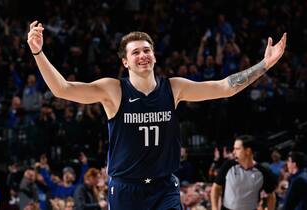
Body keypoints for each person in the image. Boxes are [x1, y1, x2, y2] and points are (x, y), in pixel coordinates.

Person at [27, 20, 286, 210]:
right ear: (125, 62)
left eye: (147, 50)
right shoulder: (114, 90)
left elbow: (225, 87)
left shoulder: (174, 88)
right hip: (127, 188)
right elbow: (62, 89)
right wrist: (38, 53)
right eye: (136, 52)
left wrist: (265, 64)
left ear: (154, 55)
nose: (143, 55)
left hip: (164, 186)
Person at [210, 135, 277, 210]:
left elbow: (271, 195)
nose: (233, 152)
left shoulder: (262, 172)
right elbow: (215, 188)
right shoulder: (228, 165)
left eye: (237, 149)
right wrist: (214, 208)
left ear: (247, 151)